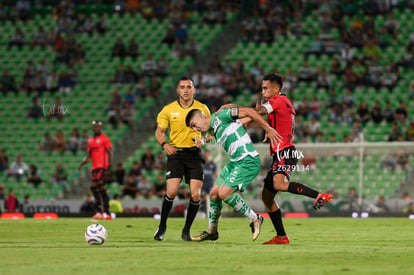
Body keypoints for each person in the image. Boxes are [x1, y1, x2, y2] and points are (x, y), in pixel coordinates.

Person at [223, 73, 333, 244]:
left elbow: (259, 111)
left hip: (285, 152)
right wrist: (243, 120)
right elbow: (258, 117)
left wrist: (235, 109)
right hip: (279, 154)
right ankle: (281, 236)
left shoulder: (279, 101)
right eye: (262, 88)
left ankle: (319, 195)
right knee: (267, 196)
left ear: (276, 89)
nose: (263, 91)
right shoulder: (278, 105)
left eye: (266, 88)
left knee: (278, 185)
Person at [185, 105, 281, 242]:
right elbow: (217, 132)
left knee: (224, 193)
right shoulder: (215, 126)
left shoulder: (221, 115)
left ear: (201, 116)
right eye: (192, 128)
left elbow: (248, 112)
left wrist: (268, 129)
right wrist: (203, 140)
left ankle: (255, 218)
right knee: (214, 194)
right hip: (235, 162)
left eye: (194, 125)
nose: (195, 129)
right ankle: (212, 231)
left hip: (247, 160)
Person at [153, 76, 211, 242]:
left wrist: (204, 139)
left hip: (194, 154)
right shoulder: (168, 109)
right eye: (182, 87)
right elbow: (159, 132)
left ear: (194, 90)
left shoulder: (202, 108)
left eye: (189, 87)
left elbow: (212, 130)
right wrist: (164, 145)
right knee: (171, 191)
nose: (186, 90)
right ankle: (162, 227)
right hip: (176, 154)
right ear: (178, 90)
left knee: (195, 195)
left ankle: (186, 230)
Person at [78, 120, 113, 220]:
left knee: (94, 186)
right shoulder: (90, 141)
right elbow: (88, 157)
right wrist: (82, 163)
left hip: (102, 166)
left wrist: (109, 167)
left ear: (101, 128)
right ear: (93, 128)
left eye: (98, 126)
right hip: (94, 168)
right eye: (95, 126)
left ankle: (101, 212)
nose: (96, 128)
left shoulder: (105, 139)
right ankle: (105, 212)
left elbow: (110, 152)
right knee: (100, 188)